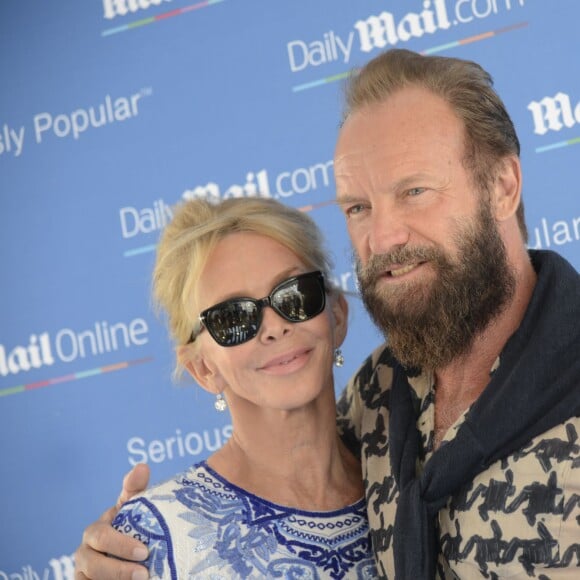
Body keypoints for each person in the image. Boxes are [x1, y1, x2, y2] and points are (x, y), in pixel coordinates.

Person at [75, 49, 580, 579]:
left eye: (414, 191)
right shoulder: (381, 393)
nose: (383, 238)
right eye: (358, 208)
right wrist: (119, 550)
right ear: (201, 365)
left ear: (502, 186)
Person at [75, 196, 377, 579]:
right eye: (233, 318)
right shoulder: (152, 543)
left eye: (294, 294)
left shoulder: (403, 466)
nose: (273, 327)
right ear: (202, 369)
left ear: (336, 314)